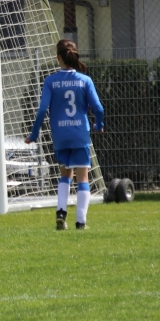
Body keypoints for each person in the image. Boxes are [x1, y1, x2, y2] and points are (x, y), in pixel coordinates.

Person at [26, 39, 105, 231]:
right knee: (83, 177)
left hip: (60, 135)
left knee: (65, 174)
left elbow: (42, 109)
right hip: (79, 134)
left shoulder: (50, 81)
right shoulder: (84, 80)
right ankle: (80, 221)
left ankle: (61, 212)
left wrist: (34, 134)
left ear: (58, 58)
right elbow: (99, 108)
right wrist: (99, 124)